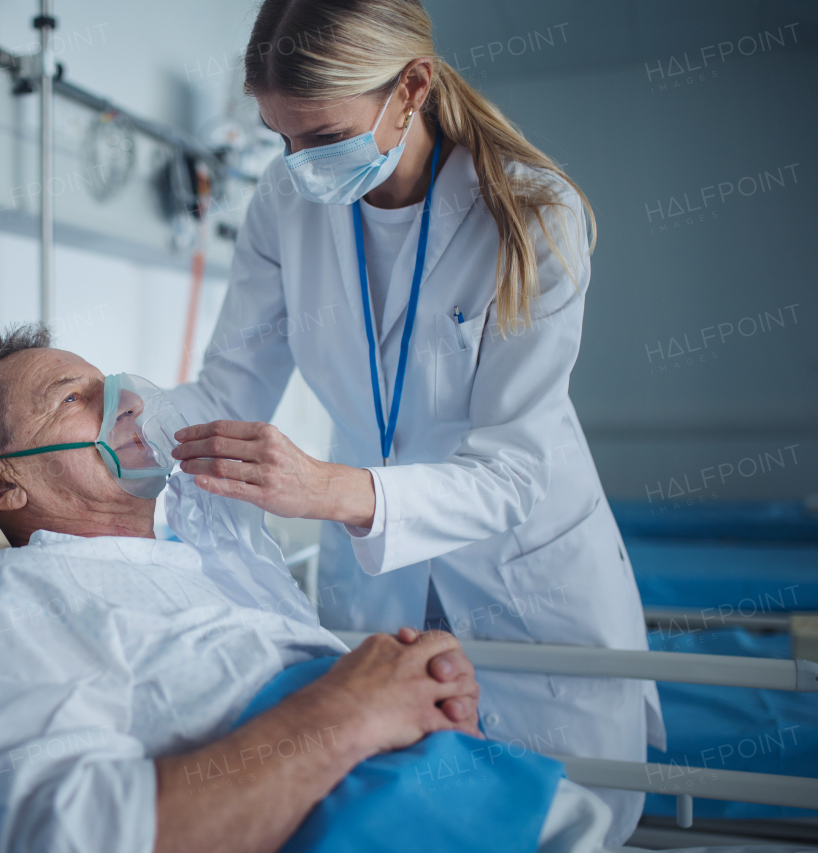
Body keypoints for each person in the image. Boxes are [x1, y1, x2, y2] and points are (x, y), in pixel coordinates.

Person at [165, 0, 662, 844]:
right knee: (394, 817)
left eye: (322, 137)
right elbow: (226, 391)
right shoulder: (285, 202)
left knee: (560, 819)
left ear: (412, 87)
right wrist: (128, 408)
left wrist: (324, 488)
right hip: (377, 580)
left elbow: (509, 475)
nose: (297, 164)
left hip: (524, 578)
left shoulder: (534, 216)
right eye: (278, 137)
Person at [0, 325, 611, 853]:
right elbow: (69, 834)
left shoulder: (201, 561)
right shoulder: (16, 593)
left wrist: (418, 698)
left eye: (108, 381)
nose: (127, 402)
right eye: (72, 398)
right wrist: (350, 708)